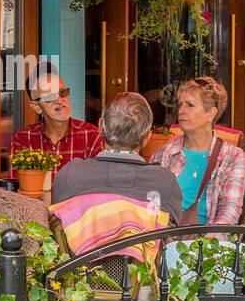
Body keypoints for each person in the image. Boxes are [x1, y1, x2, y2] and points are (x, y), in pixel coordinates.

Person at [52, 93, 183, 223]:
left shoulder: (70, 175)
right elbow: (168, 238)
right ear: (147, 138)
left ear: (100, 127)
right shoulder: (165, 182)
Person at [153, 77, 245, 224]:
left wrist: (209, 243)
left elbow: (230, 210)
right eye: (180, 104)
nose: (181, 111)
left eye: (190, 105)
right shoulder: (165, 153)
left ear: (210, 114)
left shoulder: (233, 156)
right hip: (166, 238)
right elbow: (151, 204)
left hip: (210, 239)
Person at [8, 63, 104, 175]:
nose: (60, 100)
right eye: (49, 97)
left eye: (63, 92)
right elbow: (16, 185)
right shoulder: (22, 139)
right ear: (37, 107)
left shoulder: (92, 136)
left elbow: (98, 184)